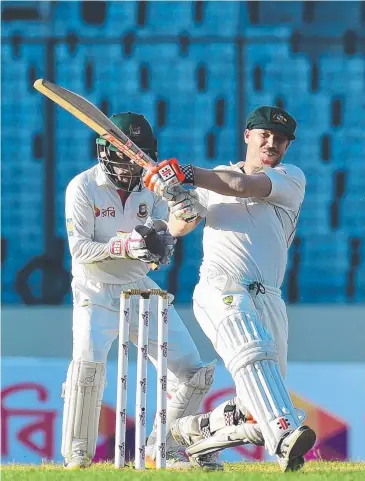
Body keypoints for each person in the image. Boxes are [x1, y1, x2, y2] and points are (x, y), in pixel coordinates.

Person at [143, 106, 316, 472]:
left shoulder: (290, 178)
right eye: (265, 134)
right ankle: (285, 437)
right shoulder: (215, 181)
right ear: (248, 135)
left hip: (269, 296)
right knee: (253, 353)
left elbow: (243, 185)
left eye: (280, 139)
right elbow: (177, 227)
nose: (272, 143)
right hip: (222, 286)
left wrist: (188, 174)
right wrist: (180, 201)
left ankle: (193, 433)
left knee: (257, 407)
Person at [62, 112, 218, 469]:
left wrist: (185, 214)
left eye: (139, 157)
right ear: (106, 153)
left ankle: (164, 446)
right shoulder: (82, 187)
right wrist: (125, 246)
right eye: (126, 157)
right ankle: (77, 452)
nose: (133, 166)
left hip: (140, 288)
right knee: (88, 367)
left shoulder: (152, 187)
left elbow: (169, 231)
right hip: (94, 289)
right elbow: (80, 251)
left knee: (194, 371)